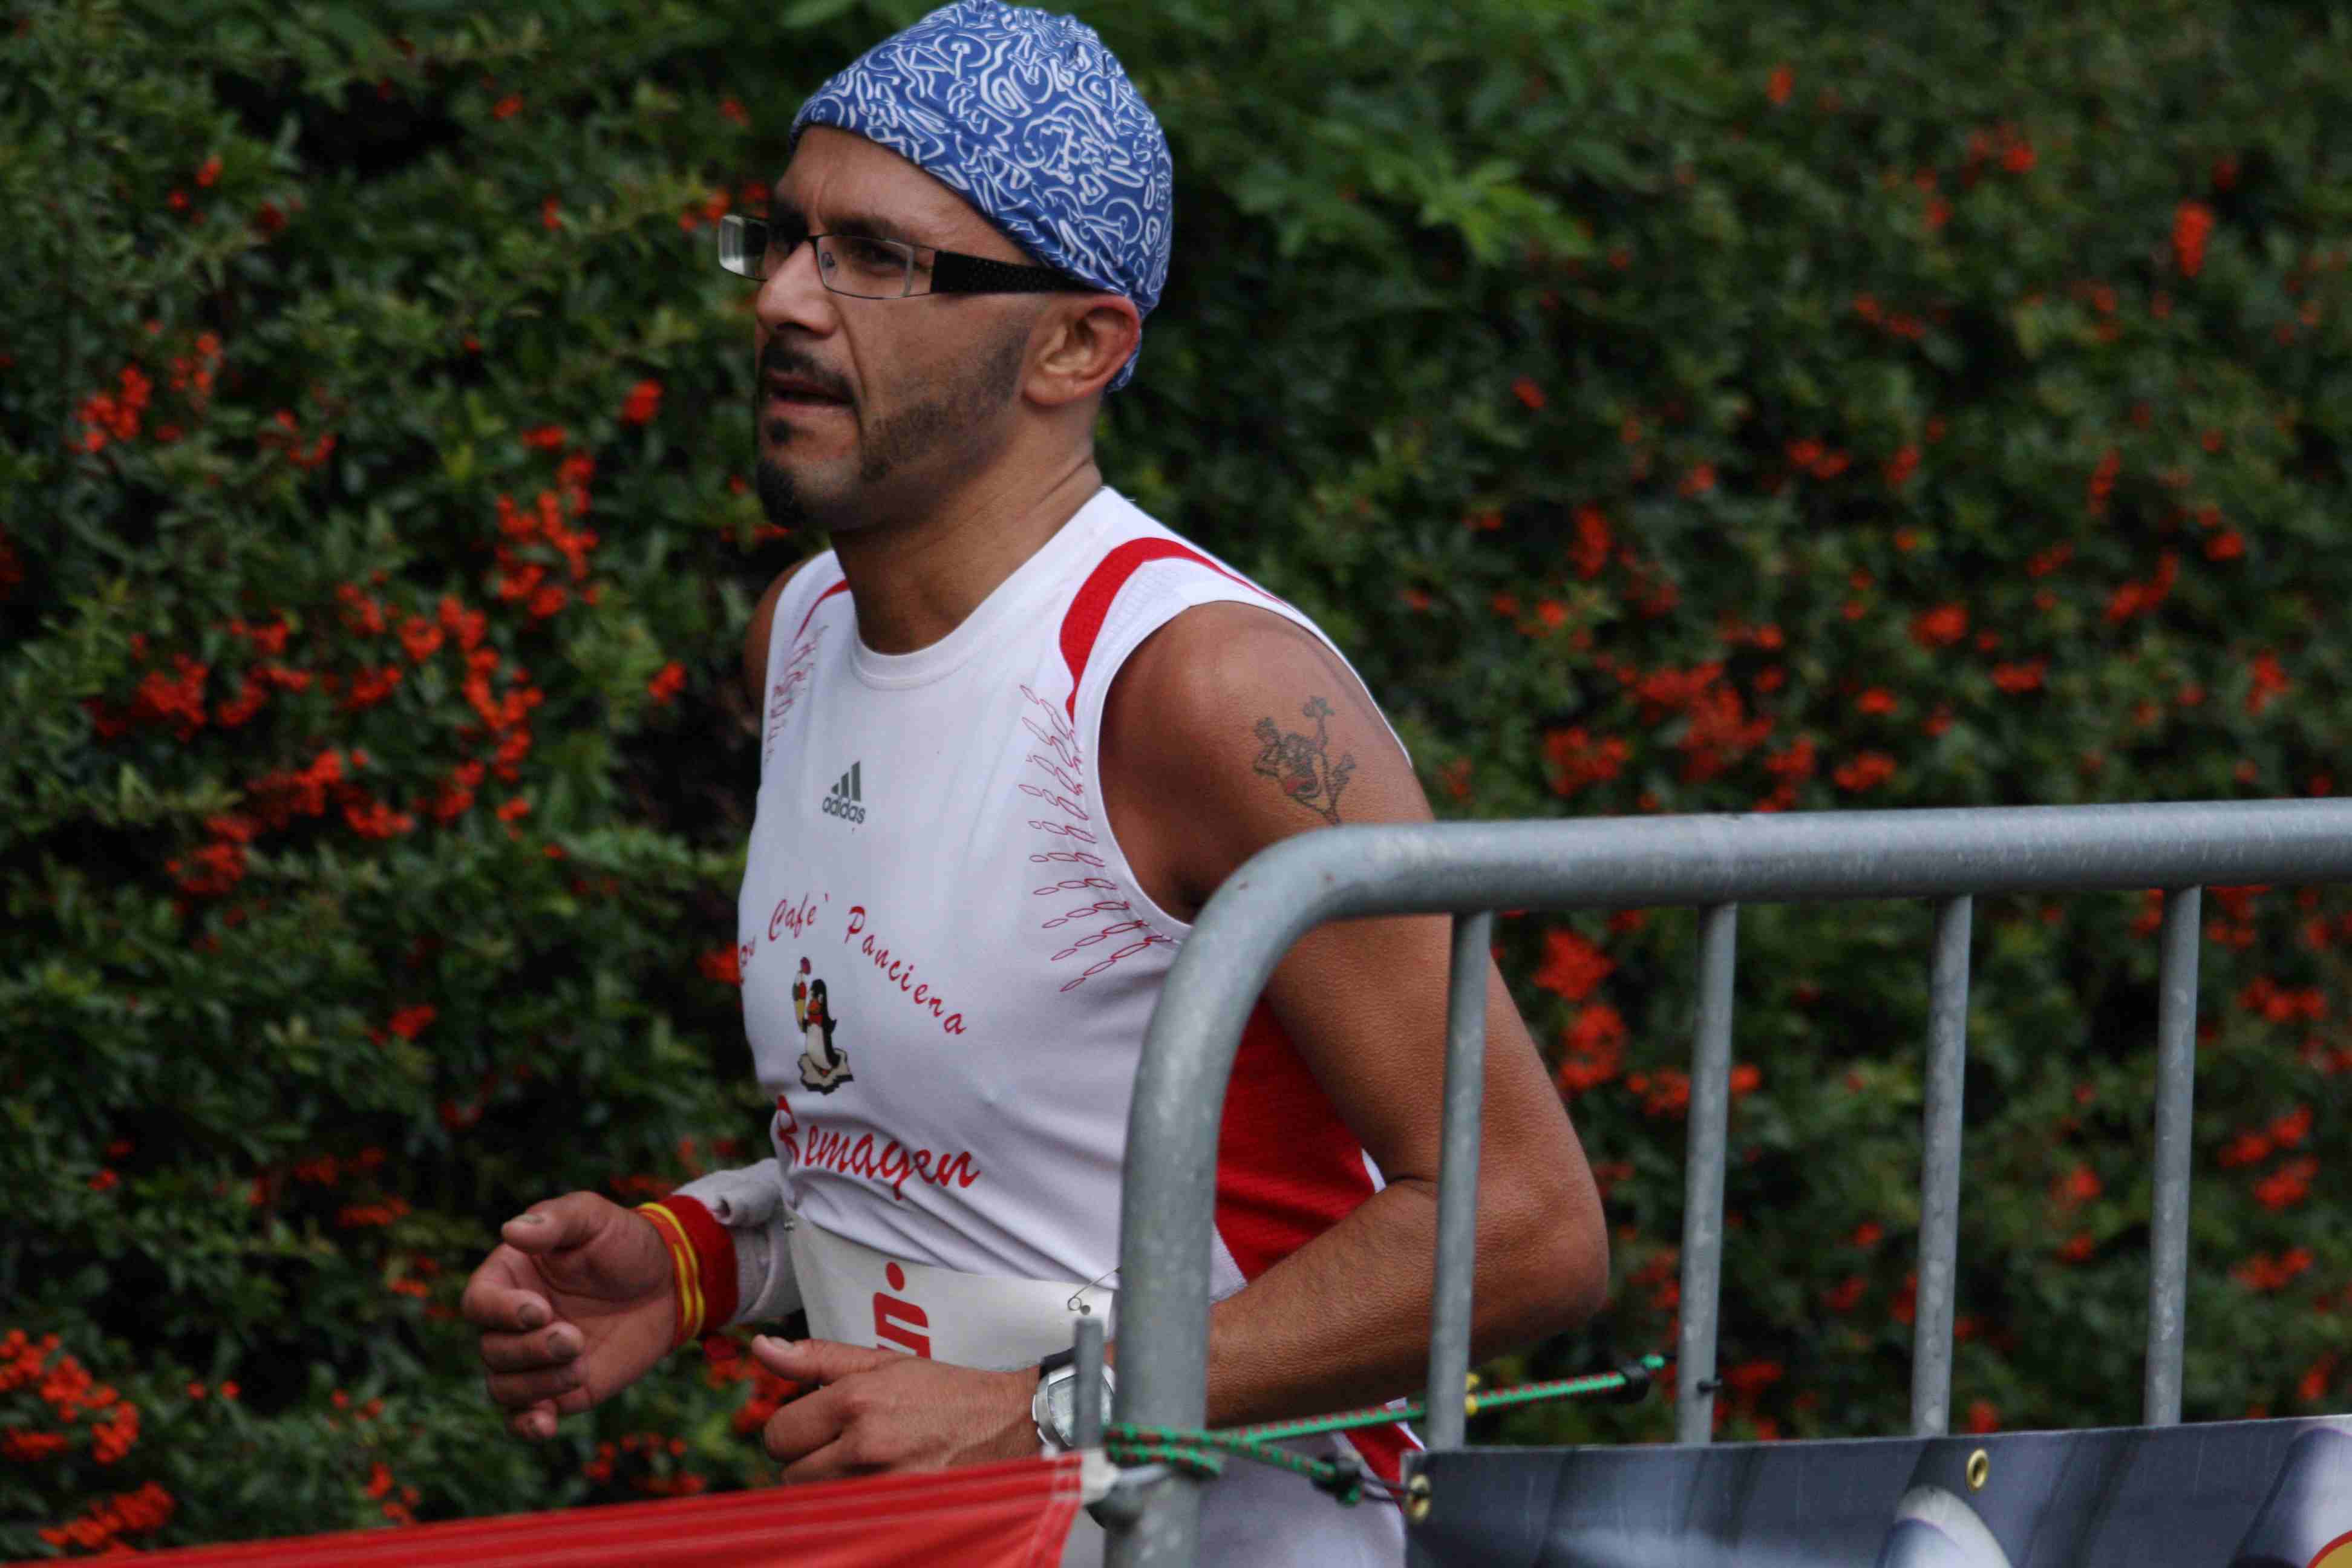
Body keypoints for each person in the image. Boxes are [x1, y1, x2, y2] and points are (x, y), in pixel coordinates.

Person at [459, 3, 1610, 1561]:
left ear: (1078, 346)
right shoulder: (799, 634)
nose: (785, 300)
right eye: (785, 238)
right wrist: (694, 1261)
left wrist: (1049, 1408)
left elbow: (1524, 1229)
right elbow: (956, 1170)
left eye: (877, 258)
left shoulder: (1198, 689)